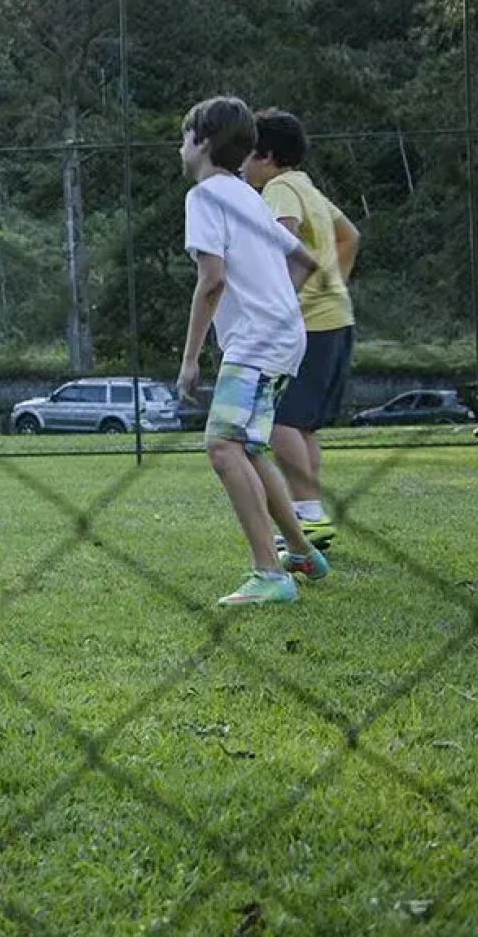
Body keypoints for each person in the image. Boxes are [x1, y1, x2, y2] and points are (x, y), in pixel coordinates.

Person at [174, 96, 329, 606]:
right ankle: (301, 552)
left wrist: (190, 359)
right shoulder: (247, 195)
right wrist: (274, 303)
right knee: (249, 446)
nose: (181, 147)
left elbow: (211, 280)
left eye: (184, 138)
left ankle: (270, 572)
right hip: (283, 336)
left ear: (202, 142)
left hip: (260, 340)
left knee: (221, 446)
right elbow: (304, 261)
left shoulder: (205, 196)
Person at [244, 109, 360, 551]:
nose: (242, 165)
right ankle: (310, 514)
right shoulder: (306, 185)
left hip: (307, 322)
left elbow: (285, 239)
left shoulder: (279, 189)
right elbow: (350, 235)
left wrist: (281, 300)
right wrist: (334, 284)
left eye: (247, 154)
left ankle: (308, 512)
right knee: (304, 425)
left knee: (280, 420)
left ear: (266, 155)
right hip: (335, 317)